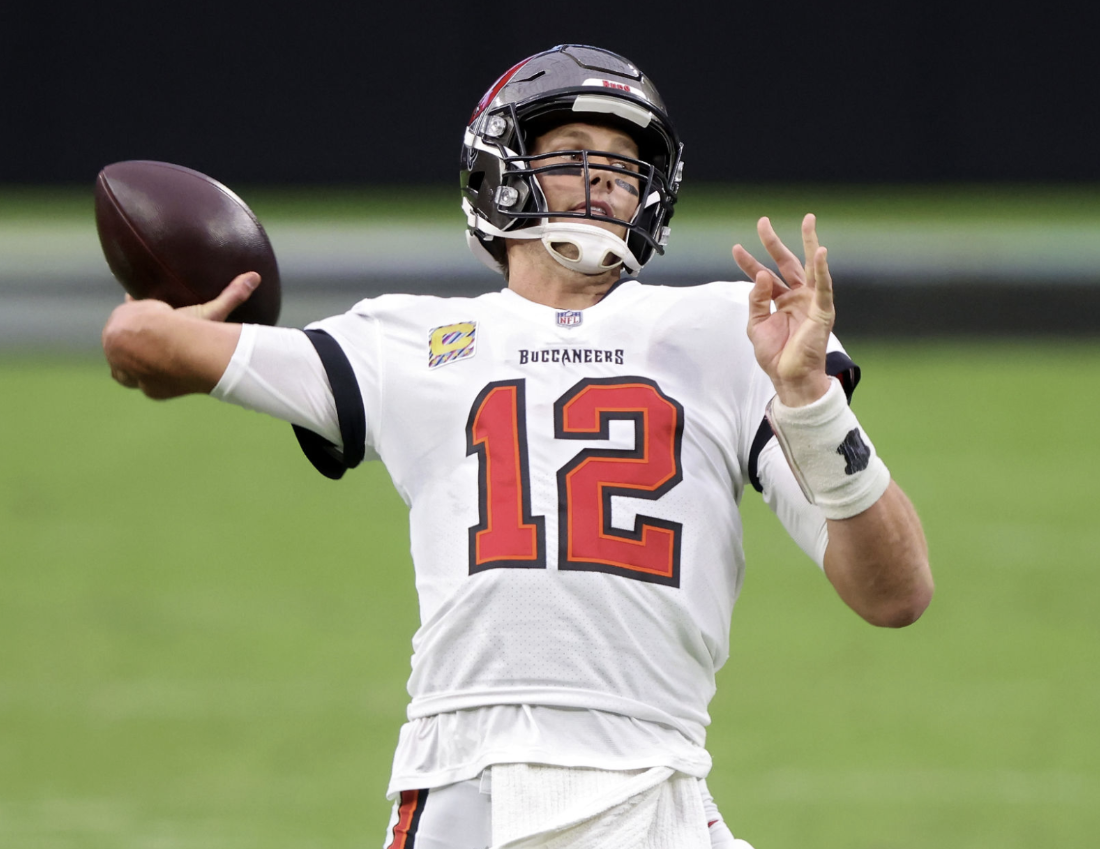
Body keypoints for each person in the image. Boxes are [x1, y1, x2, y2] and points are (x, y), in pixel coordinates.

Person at [102, 44, 932, 849]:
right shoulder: (409, 338)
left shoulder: (731, 328)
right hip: (473, 779)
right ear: (499, 170)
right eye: (573, 151)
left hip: (657, 780)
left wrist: (812, 401)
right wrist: (172, 321)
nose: (606, 175)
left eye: (624, 157)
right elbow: (141, 341)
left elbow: (895, 592)